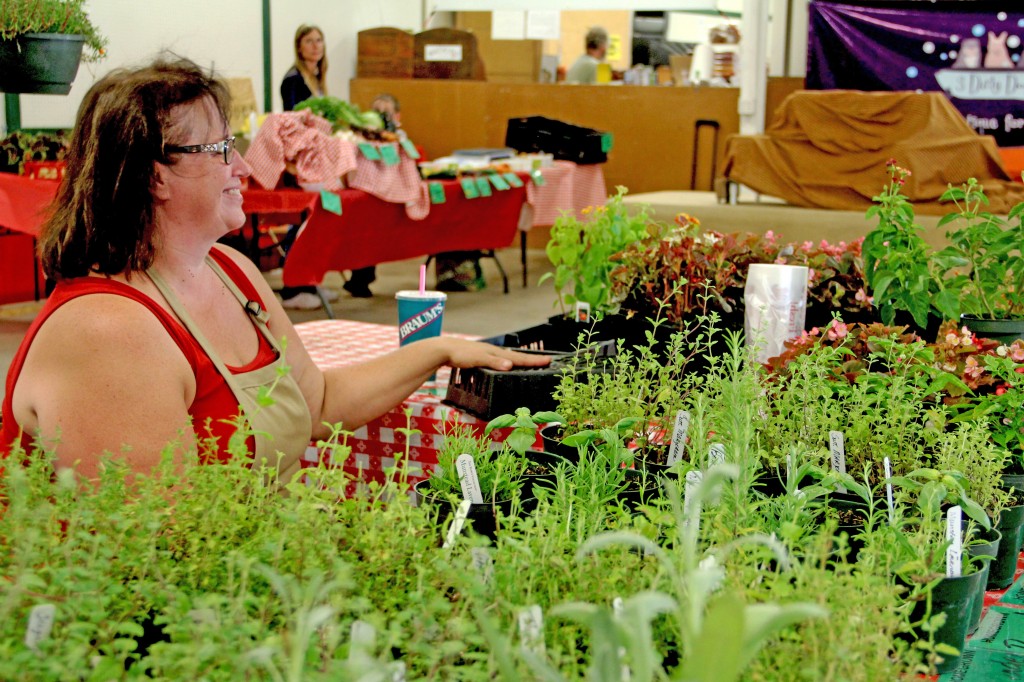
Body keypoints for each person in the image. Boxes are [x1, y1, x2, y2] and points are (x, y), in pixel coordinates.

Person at [0, 57, 550, 482]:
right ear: (154, 177)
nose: (241, 165)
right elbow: (169, 546)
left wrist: (440, 350)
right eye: (219, 149)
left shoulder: (229, 270)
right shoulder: (108, 330)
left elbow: (320, 405)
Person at [278, 24, 335, 309]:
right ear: (299, 47)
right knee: (303, 219)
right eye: (309, 41)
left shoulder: (317, 77)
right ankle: (293, 287)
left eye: (319, 40)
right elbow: (294, 120)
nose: (315, 46)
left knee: (317, 218)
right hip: (303, 159)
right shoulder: (293, 79)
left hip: (318, 156)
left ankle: (311, 279)